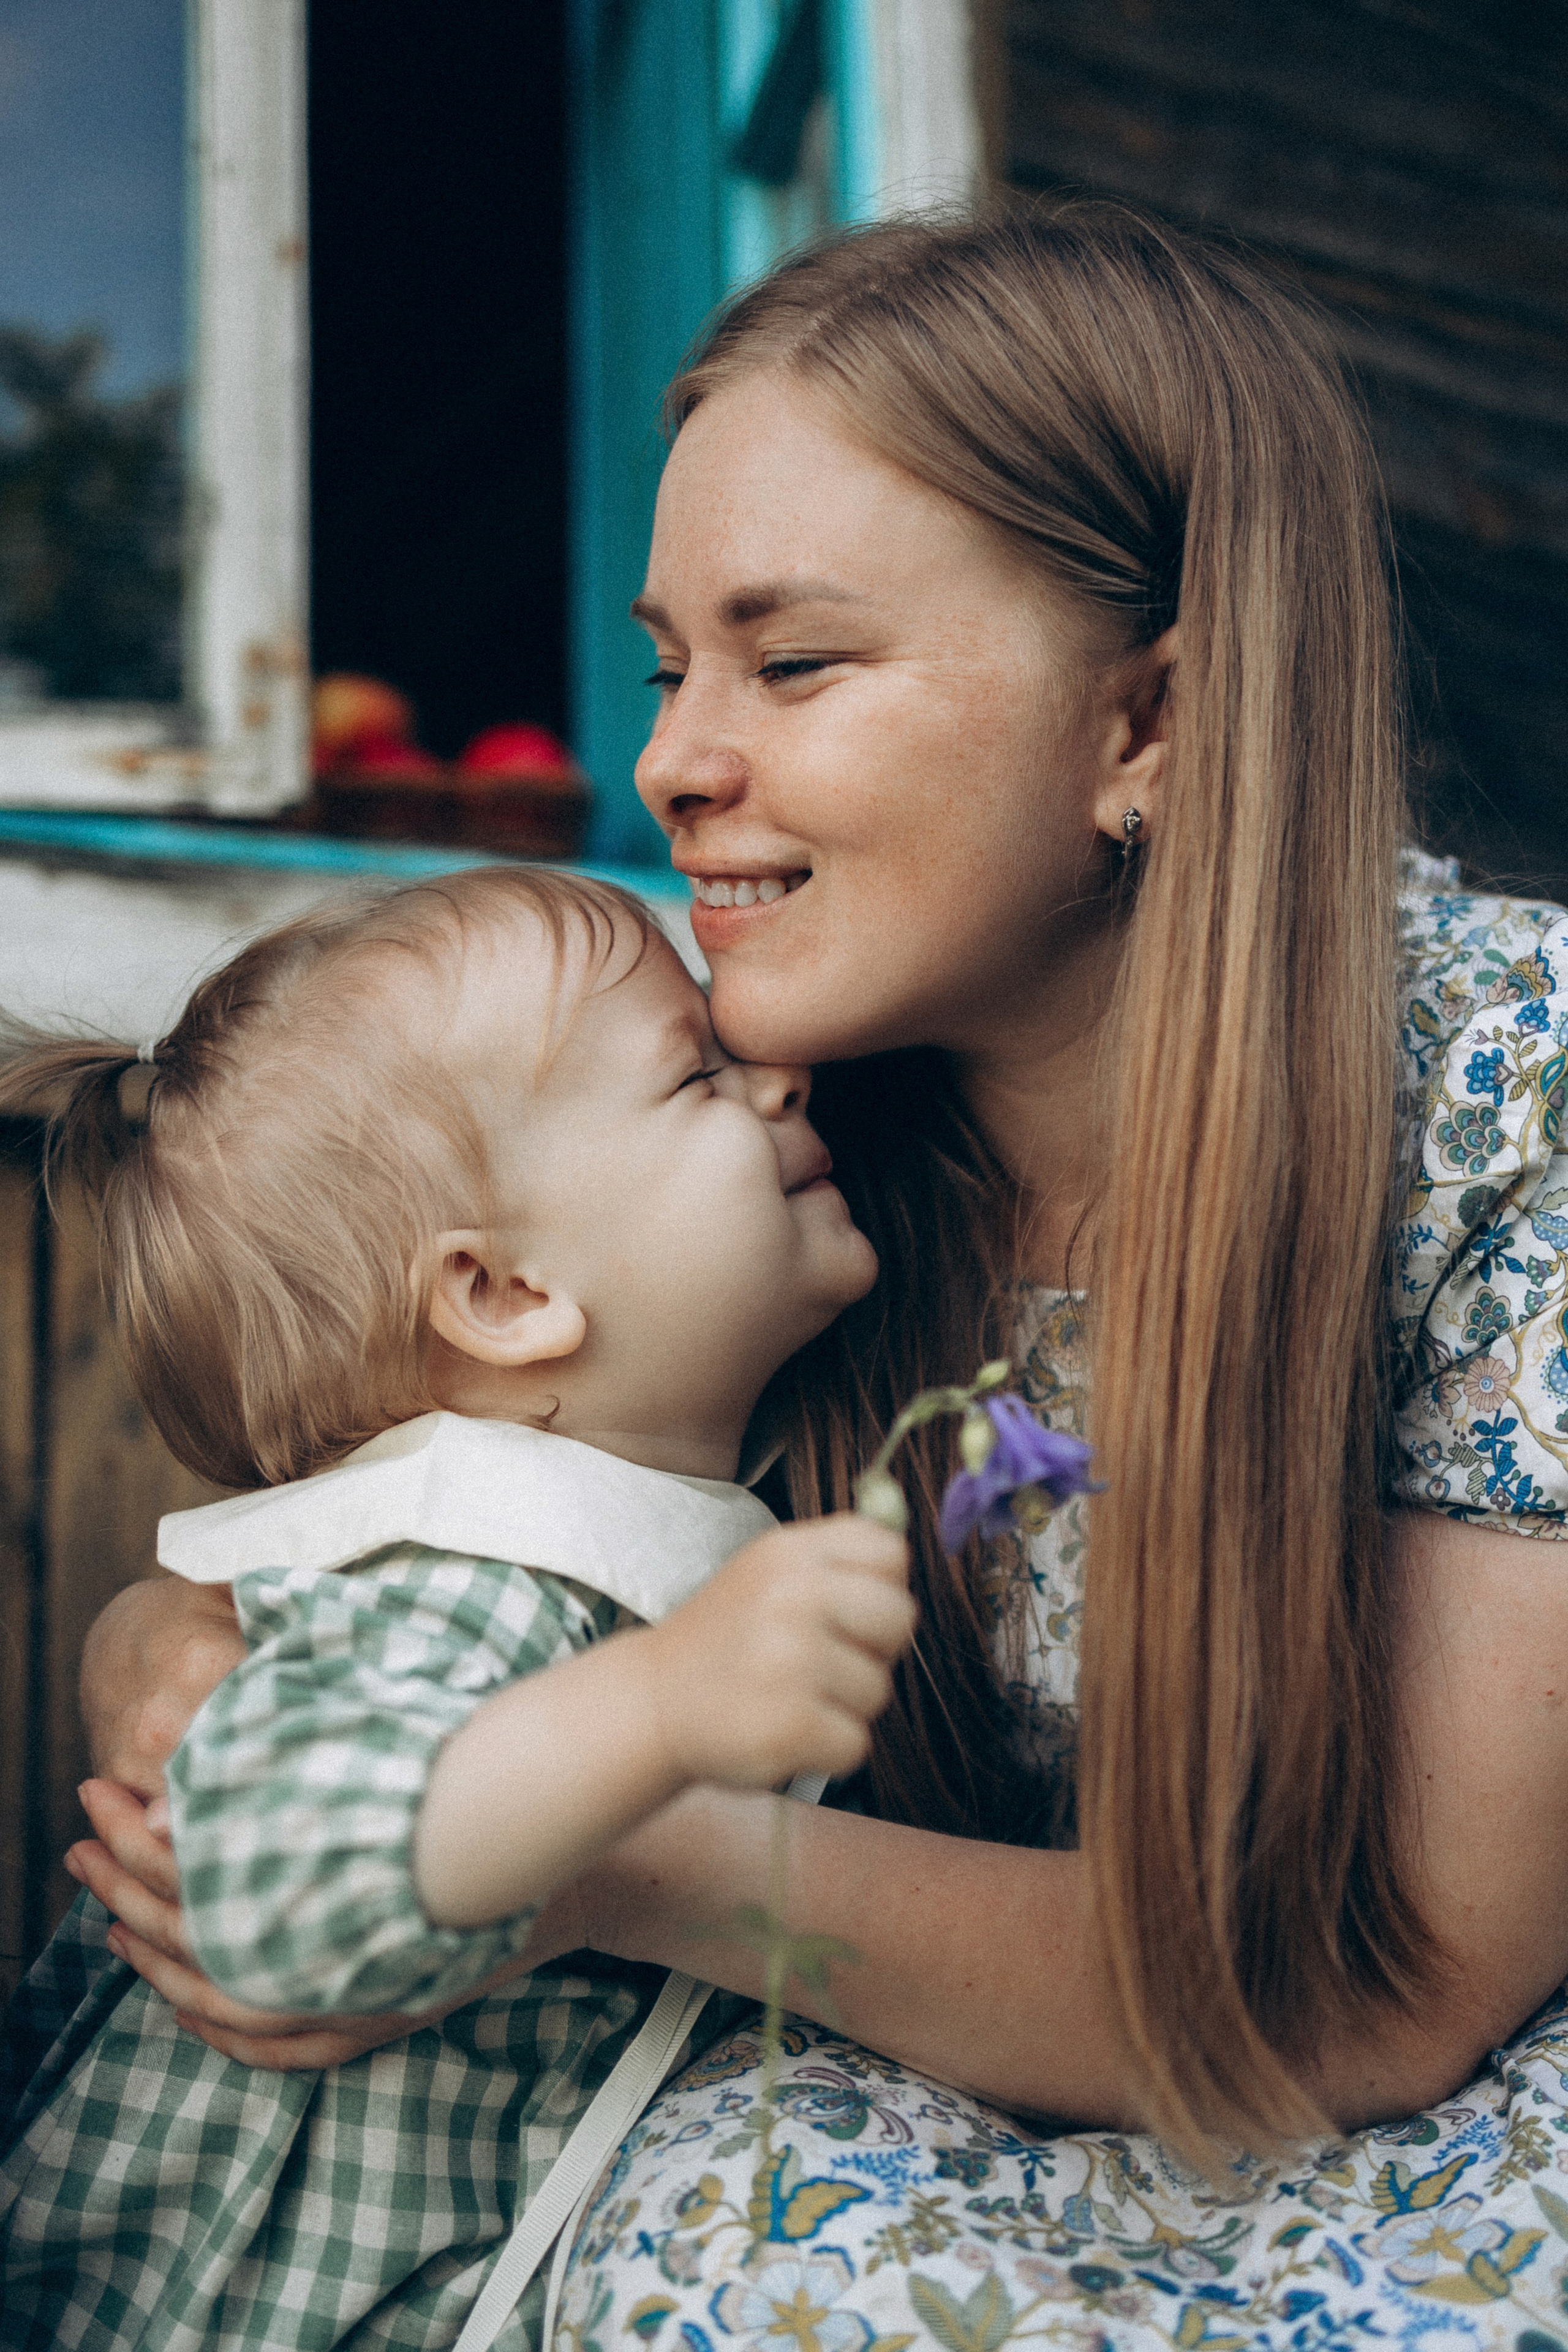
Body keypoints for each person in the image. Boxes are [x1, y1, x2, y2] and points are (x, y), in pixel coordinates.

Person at [48, 204, 1568, 2343]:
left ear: (1149, 718)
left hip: (1395, 2109)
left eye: (797, 659)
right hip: (882, 2061)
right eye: (671, 663)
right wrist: (174, 1657)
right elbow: (422, 1499)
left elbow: (1383, 1994)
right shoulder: (762, 1122)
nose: (671, 756)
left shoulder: (1510, 1099)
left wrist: (567, 1851)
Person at [0, 867, 916, 2348]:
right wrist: (658, 1703)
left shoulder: (584, 1521)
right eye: (695, 1073)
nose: (776, 1074)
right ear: (499, 1295)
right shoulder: (488, 1570)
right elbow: (280, 1897)